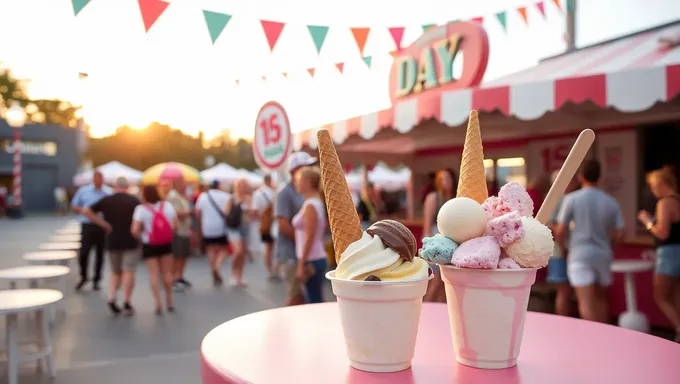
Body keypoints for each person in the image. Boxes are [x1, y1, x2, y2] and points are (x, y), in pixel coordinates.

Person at [555, 160, 624, 323]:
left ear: (580, 177)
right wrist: (610, 247)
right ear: (600, 177)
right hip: (603, 252)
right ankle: (604, 336)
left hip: (579, 253)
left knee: (585, 301)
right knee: (601, 298)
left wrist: (564, 248)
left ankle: (594, 341)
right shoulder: (611, 201)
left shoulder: (571, 199)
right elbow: (620, 234)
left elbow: (560, 231)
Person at [81, 177, 140, 316]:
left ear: (114, 186)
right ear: (128, 186)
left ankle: (112, 297)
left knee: (115, 272)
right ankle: (127, 301)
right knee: (128, 271)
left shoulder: (107, 200)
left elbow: (86, 211)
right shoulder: (134, 201)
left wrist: (103, 224)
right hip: (130, 240)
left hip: (113, 239)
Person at [637, 168, 680, 342]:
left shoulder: (664, 203)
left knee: (661, 295)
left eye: (654, 186)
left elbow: (662, 232)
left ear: (662, 184)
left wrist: (647, 222)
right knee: (676, 294)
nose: (653, 190)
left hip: (668, 253)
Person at [276, 152, 317, 306]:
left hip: (302, 253)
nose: (312, 169)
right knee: (295, 296)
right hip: (290, 254)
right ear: (296, 170)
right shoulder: (285, 193)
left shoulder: (304, 191)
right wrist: (304, 242)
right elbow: (283, 224)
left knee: (302, 296)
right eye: (308, 166)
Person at [132, 185, 178, 315]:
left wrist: (142, 236)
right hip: (166, 243)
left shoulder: (140, 209)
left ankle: (158, 302)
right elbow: (176, 225)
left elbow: (134, 230)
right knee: (167, 273)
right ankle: (169, 300)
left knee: (153, 273)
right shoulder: (168, 206)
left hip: (149, 244)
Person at [71, 170, 112, 291]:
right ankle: (84, 276)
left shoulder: (108, 192)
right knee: (83, 252)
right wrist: (84, 210)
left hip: (102, 226)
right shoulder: (84, 191)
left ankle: (97, 279)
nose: (99, 181)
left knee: (100, 254)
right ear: (93, 179)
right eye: (97, 179)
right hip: (87, 225)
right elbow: (74, 205)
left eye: (101, 179)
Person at [292, 166, 328, 303]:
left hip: (311, 259)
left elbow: (309, 237)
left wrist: (301, 264)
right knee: (315, 298)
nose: (296, 183)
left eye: (299, 180)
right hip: (315, 257)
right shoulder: (314, 203)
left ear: (307, 182)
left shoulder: (311, 205)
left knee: (314, 300)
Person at [547, 171, 580, 317]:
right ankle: (564, 322)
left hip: (561, 251)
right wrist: (564, 247)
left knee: (565, 291)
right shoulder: (562, 199)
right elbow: (554, 227)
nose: (576, 183)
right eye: (572, 180)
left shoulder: (556, 199)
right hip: (561, 252)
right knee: (565, 290)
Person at [422, 169, 457, 303]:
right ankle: (427, 308)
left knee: (446, 283)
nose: (445, 182)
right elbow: (426, 224)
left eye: (447, 179)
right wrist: (427, 246)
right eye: (442, 179)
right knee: (436, 280)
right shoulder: (433, 198)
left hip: (452, 243)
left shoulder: (455, 199)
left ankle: (441, 311)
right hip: (436, 243)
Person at [195, 180, 231, 285]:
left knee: (211, 250)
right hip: (221, 227)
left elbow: (197, 212)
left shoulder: (203, 196)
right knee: (223, 250)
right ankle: (217, 266)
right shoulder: (225, 196)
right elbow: (228, 211)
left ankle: (213, 269)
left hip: (207, 228)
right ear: (219, 186)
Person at [165, 178, 193, 290]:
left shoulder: (181, 196)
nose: (185, 185)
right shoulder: (173, 197)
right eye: (184, 183)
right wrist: (189, 212)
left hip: (184, 230)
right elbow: (176, 214)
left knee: (183, 255)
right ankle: (173, 278)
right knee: (177, 255)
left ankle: (179, 276)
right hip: (178, 230)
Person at [224, 178, 252, 286]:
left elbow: (252, 213)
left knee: (242, 254)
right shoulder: (232, 198)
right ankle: (233, 273)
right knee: (238, 251)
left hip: (245, 227)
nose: (242, 188)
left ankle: (240, 276)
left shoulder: (248, 199)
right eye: (240, 186)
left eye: (244, 186)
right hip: (234, 227)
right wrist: (237, 207)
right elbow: (226, 212)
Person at [252, 174, 277, 279]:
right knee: (274, 247)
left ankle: (269, 270)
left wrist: (262, 219)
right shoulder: (274, 192)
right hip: (275, 223)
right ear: (270, 180)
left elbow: (255, 211)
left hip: (265, 224)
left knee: (268, 247)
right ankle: (275, 270)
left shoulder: (257, 193)